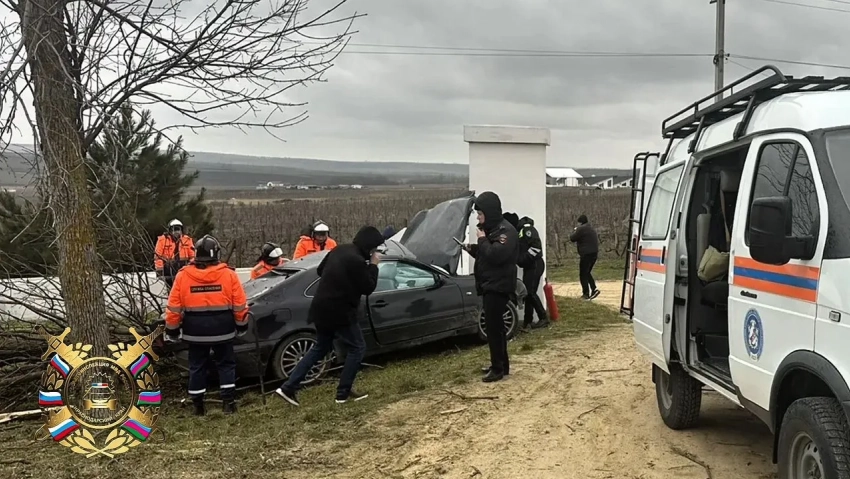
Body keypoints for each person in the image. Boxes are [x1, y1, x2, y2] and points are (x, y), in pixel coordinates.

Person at [275, 225, 385, 406]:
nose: (376, 251)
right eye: (375, 248)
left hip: (320, 308)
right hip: (340, 312)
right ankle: (343, 393)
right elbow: (368, 288)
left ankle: (288, 387)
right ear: (369, 246)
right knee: (357, 348)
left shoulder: (339, 250)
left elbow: (320, 271)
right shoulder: (357, 261)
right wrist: (373, 265)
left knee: (321, 347)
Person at [164, 235, 249, 416]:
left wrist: (172, 330)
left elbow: (173, 308)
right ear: (217, 254)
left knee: (197, 366)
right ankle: (228, 403)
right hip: (223, 330)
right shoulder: (229, 275)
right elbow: (240, 305)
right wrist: (242, 325)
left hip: (194, 332)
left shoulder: (183, 276)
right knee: (226, 365)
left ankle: (198, 406)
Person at [462, 192, 518, 383]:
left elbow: (496, 255)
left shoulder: (506, 232)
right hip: (490, 285)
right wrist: (473, 249)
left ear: (490, 212)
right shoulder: (493, 230)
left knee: (494, 330)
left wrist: (482, 241)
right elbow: (487, 254)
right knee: (497, 328)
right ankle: (502, 364)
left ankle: (497, 369)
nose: (478, 217)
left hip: (499, 287)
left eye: (480, 214)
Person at [514, 215, 549, 329]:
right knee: (528, 293)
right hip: (529, 265)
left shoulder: (527, 230)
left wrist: (522, 259)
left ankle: (543, 317)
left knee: (530, 292)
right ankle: (527, 321)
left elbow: (536, 248)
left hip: (535, 264)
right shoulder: (521, 232)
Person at [154, 219, 195, 292]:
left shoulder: (187, 240)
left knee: (184, 291)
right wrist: (159, 272)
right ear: (169, 230)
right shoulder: (162, 240)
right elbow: (158, 257)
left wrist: (192, 269)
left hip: (184, 270)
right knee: (172, 292)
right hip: (168, 271)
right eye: (174, 229)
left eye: (178, 229)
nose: (176, 232)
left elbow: (192, 256)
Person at [570, 214, 600, 300]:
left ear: (580, 222)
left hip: (586, 254)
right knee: (587, 272)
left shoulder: (581, 229)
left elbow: (572, 238)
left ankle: (586, 294)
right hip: (594, 254)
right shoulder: (591, 229)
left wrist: (575, 230)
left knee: (583, 274)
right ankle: (594, 289)